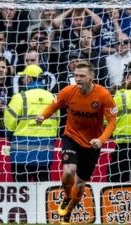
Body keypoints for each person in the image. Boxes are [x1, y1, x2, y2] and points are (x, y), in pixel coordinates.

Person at [36, 61, 117, 224]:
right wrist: (43, 116)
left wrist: (101, 140)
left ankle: (69, 212)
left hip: (92, 143)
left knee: (80, 184)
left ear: (91, 77)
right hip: (71, 137)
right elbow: (54, 105)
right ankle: (66, 196)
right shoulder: (68, 91)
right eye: (76, 76)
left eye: (82, 76)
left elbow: (112, 122)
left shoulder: (103, 95)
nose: (78, 79)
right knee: (68, 171)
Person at [4, 64, 59, 182]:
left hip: (21, 154)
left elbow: (9, 121)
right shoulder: (53, 97)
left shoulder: (20, 97)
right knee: (43, 192)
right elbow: (57, 123)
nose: (23, 79)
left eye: (24, 77)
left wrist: (10, 135)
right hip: (45, 154)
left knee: (22, 194)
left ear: (29, 78)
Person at [108, 64, 131, 182]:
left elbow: (105, 120)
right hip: (123, 145)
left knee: (116, 180)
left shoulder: (119, 96)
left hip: (123, 146)